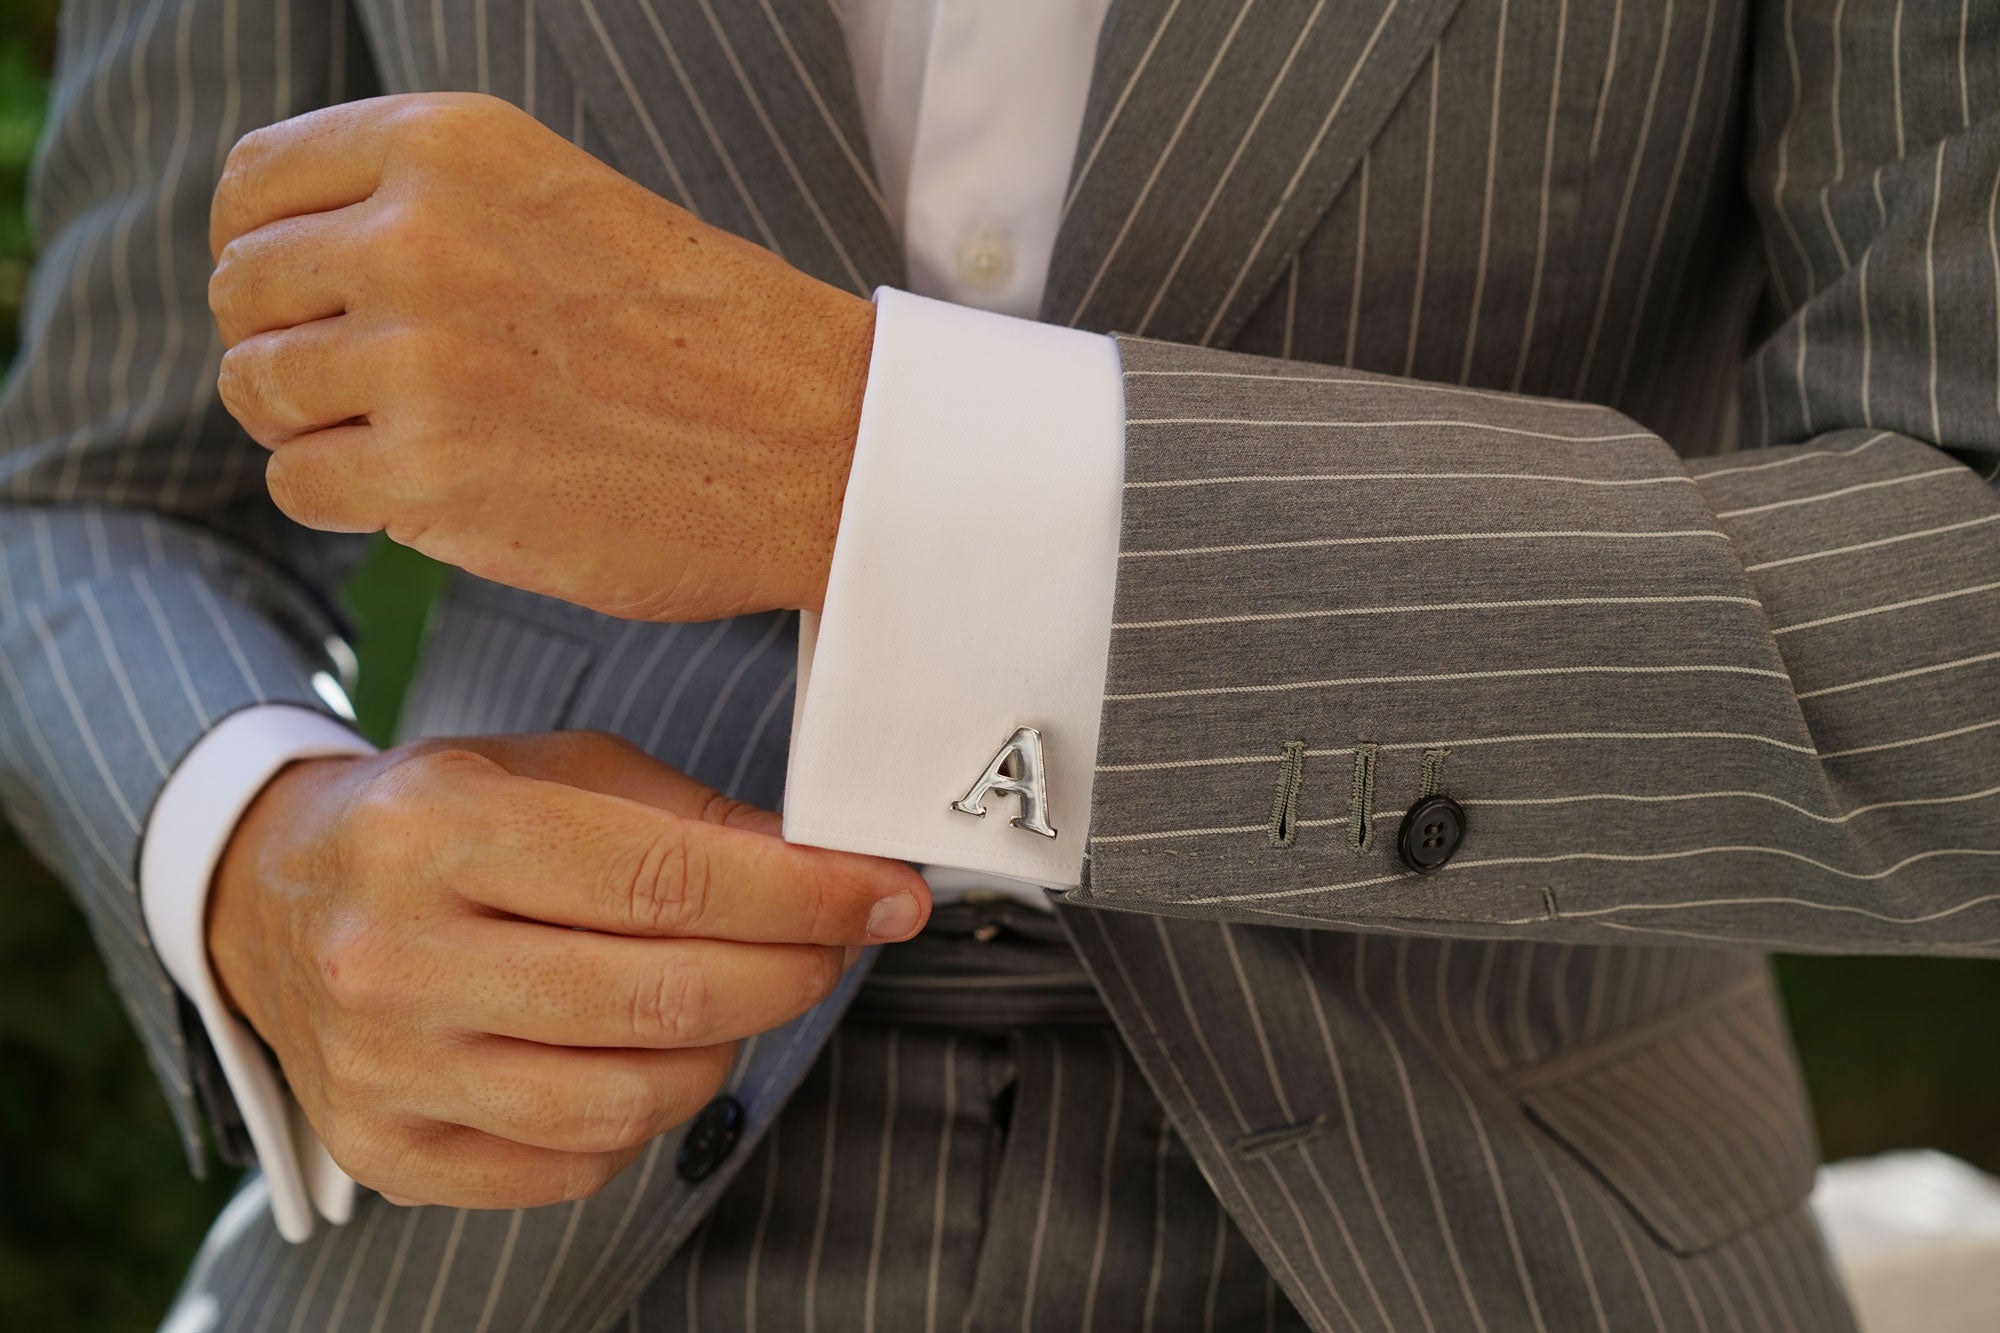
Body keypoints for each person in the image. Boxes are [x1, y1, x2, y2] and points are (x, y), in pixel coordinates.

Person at [4, 0, 1996, 1328]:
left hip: (1495, 1231)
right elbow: (96, 495)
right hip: (512, 1242)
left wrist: (871, 465)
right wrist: (256, 845)